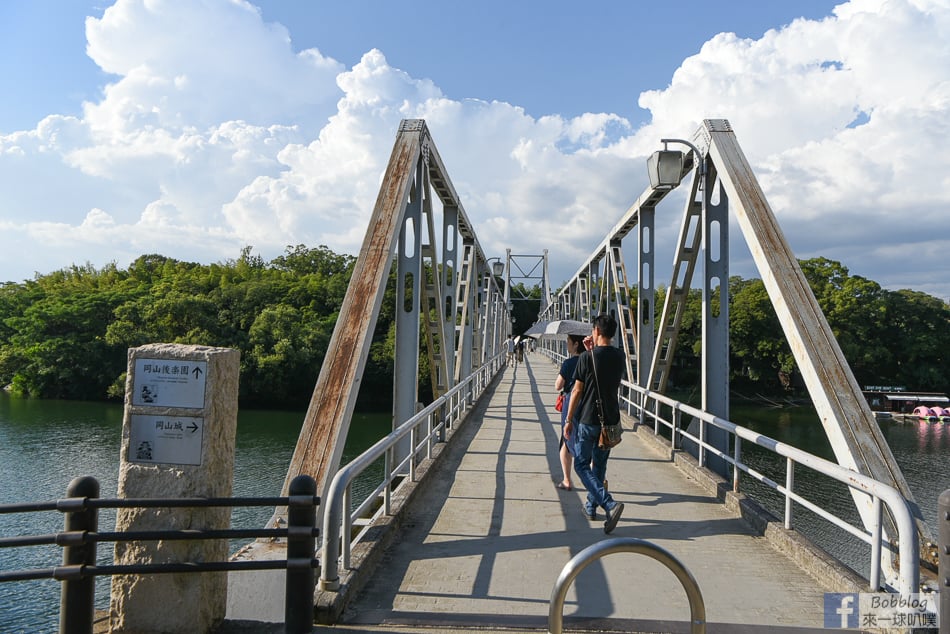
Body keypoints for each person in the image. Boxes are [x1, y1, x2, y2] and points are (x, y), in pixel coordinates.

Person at [563, 314, 625, 534]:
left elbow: (577, 391)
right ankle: (590, 506)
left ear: (596, 331)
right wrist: (591, 353)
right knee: (599, 465)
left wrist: (569, 420)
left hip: (589, 419)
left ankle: (609, 504)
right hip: (610, 421)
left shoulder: (586, 358)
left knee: (581, 464)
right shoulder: (620, 356)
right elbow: (606, 372)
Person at [554, 334, 586, 491]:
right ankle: (597, 479)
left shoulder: (568, 363)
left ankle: (567, 480)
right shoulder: (589, 361)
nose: (567, 345)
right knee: (588, 441)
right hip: (588, 403)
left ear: (576, 345)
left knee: (566, 440)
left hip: (570, 403)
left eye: (568, 342)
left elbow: (558, 386)